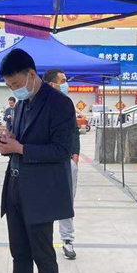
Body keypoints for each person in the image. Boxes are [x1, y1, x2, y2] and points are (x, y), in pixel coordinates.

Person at [0, 49, 76, 273]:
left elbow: (63, 150)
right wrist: (8, 143)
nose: (14, 90)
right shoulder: (22, 105)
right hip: (15, 188)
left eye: (16, 83)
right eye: (9, 86)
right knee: (20, 256)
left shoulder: (59, 104)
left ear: (30, 74)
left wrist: (22, 149)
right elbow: (19, 141)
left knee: (44, 258)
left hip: (41, 193)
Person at [43, 69, 79, 261]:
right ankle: (44, 240)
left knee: (66, 202)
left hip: (67, 162)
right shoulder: (40, 105)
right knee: (45, 202)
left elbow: (75, 131)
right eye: (63, 81)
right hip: (46, 163)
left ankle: (67, 240)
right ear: (52, 84)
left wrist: (75, 155)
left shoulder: (67, 104)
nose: (66, 84)